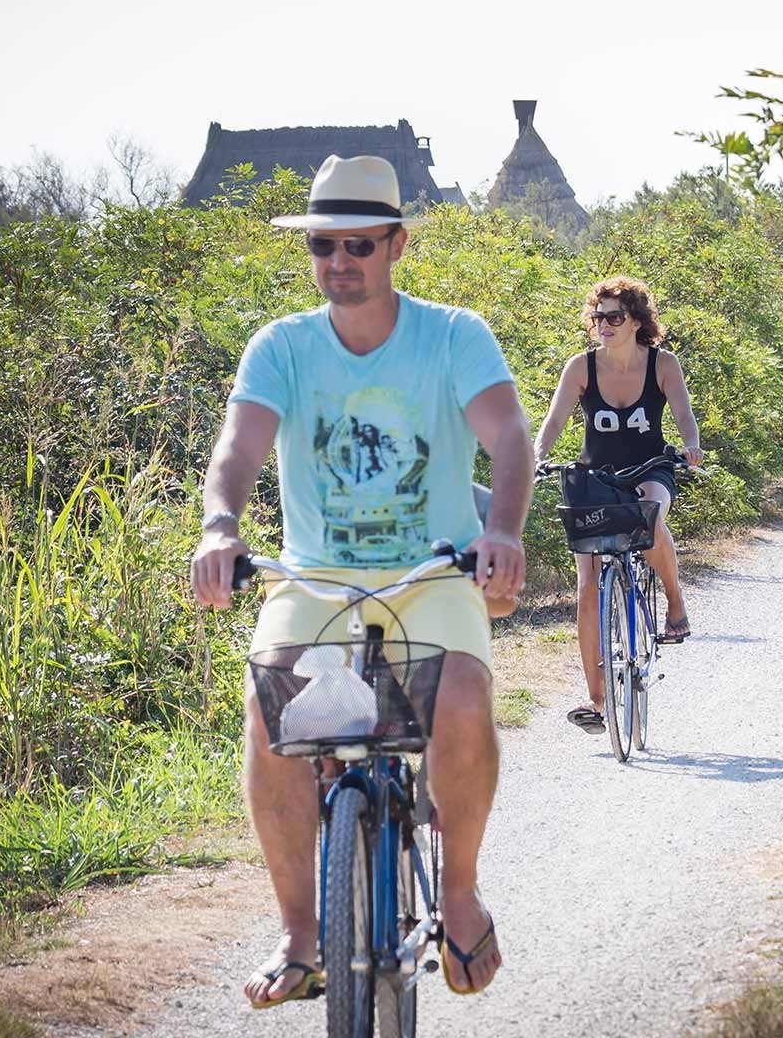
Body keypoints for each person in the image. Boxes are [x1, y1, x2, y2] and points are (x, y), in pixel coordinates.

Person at [189, 154, 531, 1006]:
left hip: (432, 573)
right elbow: (237, 449)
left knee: (458, 696)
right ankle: (301, 935)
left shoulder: (455, 335)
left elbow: (510, 438)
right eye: (323, 245)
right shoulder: (283, 347)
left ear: (397, 246)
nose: (340, 261)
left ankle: (458, 893)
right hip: (315, 577)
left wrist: (502, 532)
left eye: (359, 245)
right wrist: (220, 526)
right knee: (270, 710)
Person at [532, 276, 705, 735]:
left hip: (650, 468)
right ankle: (596, 700)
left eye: (614, 317)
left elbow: (684, 414)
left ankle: (674, 602)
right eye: (598, 317)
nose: (604, 325)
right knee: (587, 586)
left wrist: (691, 445)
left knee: (649, 513)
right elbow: (553, 422)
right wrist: (536, 456)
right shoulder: (581, 367)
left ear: (636, 321)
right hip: (595, 476)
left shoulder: (662, 364)